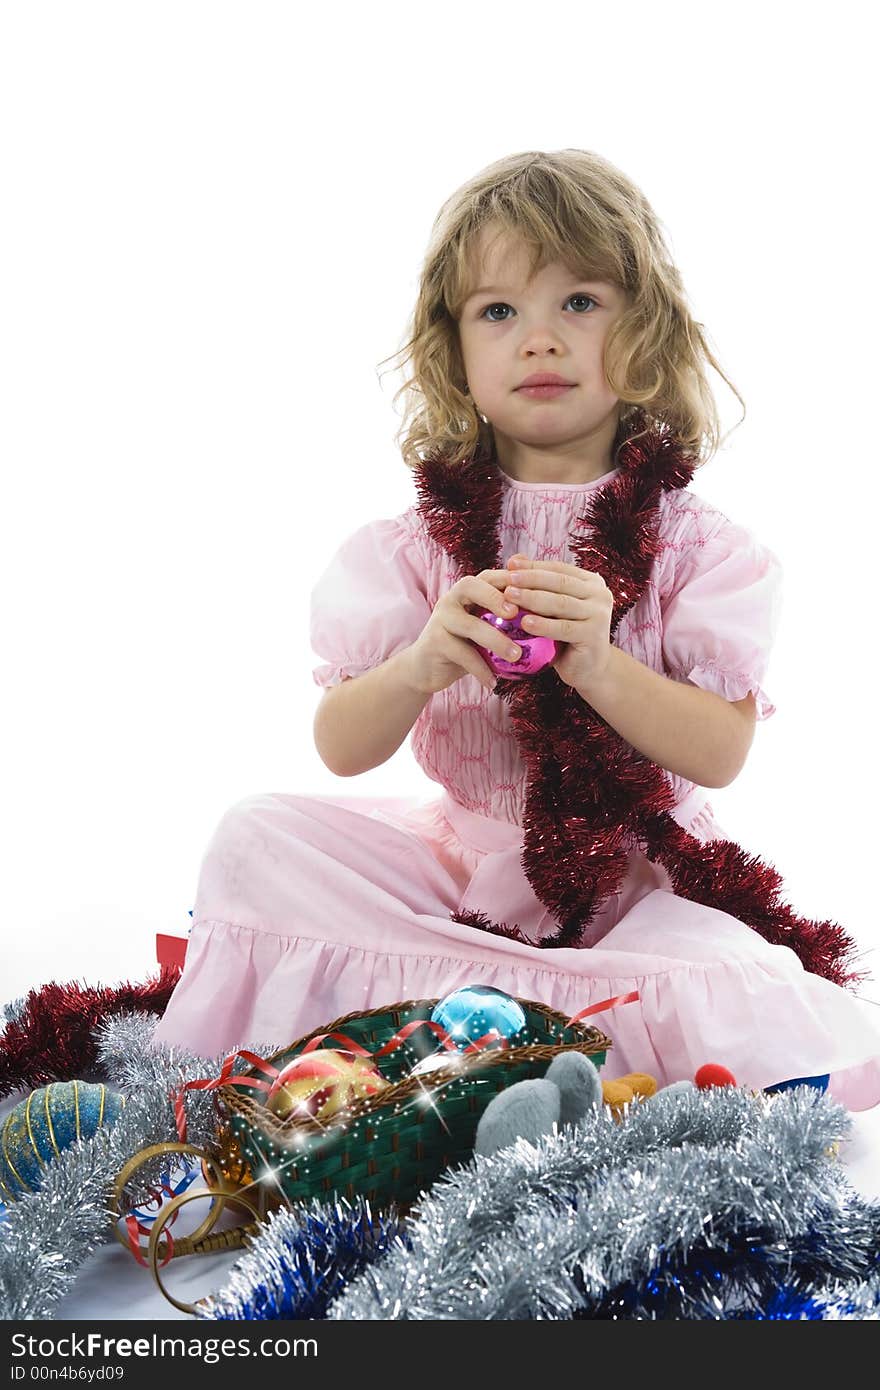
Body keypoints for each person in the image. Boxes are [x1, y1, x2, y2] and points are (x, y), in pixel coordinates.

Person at [151, 149, 880, 1108]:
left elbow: (720, 752)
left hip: (625, 885)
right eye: (500, 312)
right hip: (456, 863)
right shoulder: (415, 546)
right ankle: (490, 1019)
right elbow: (340, 747)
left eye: (579, 303)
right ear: (453, 350)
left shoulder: (696, 546)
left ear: (647, 334)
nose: (540, 339)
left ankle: (523, 1035)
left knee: (723, 981)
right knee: (253, 837)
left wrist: (599, 663)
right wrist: (421, 663)